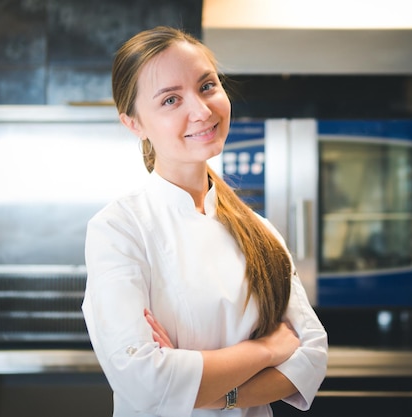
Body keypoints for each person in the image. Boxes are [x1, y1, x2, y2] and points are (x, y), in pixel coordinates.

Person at [81, 25, 328, 417]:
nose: (201, 110)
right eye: (171, 100)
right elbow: (144, 381)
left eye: (207, 86)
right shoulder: (119, 230)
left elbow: (311, 354)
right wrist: (265, 350)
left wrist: (211, 391)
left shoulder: (260, 231)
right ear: (134, 124)